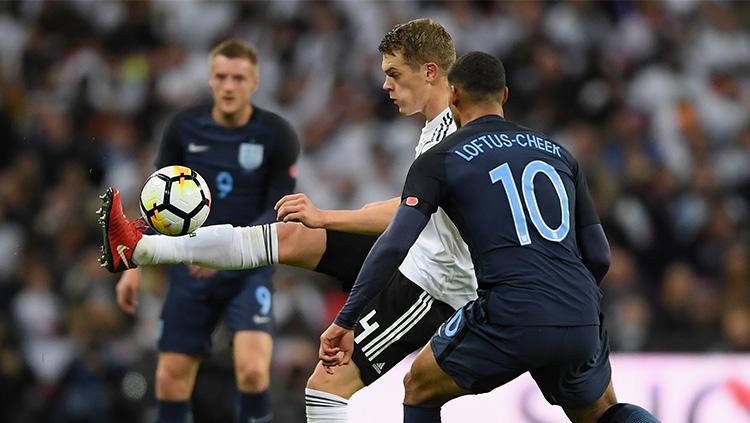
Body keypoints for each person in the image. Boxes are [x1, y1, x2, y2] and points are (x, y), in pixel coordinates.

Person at [98, 19, 477, 422]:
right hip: (419, 251)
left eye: (395, 74)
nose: (386, 85)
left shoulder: (452, 137)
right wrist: (325, 220)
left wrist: (326, 215)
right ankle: (139, 247)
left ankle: (142, 247)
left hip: (434, 283)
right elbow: (412, 204)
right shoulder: (444, 125)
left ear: (431, 72)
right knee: (296, 235)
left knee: (325, 388)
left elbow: (413, 213)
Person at [319, 51, 660, 423]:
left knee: (419, 387)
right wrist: (565, 305)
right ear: (505, 95)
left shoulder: (440, 159)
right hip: (577, 307)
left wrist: (346, 319)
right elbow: (600, 255)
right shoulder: (558, 153)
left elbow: (395, 243)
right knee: (602, 412)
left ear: (453, 97)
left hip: (511, 311)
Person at [104, 39, 300, 423]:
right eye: (221, 77)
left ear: (255, 81)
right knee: (170, 379)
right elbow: (155, 202)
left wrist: (225, 253)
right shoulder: (183, 127)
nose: (229, 86)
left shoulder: (277, 135)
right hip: (190, 270)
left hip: (249, 268)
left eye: (238, 78)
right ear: (210, 79)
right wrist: (134, 268)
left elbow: (277, 211)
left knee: (254, 371)